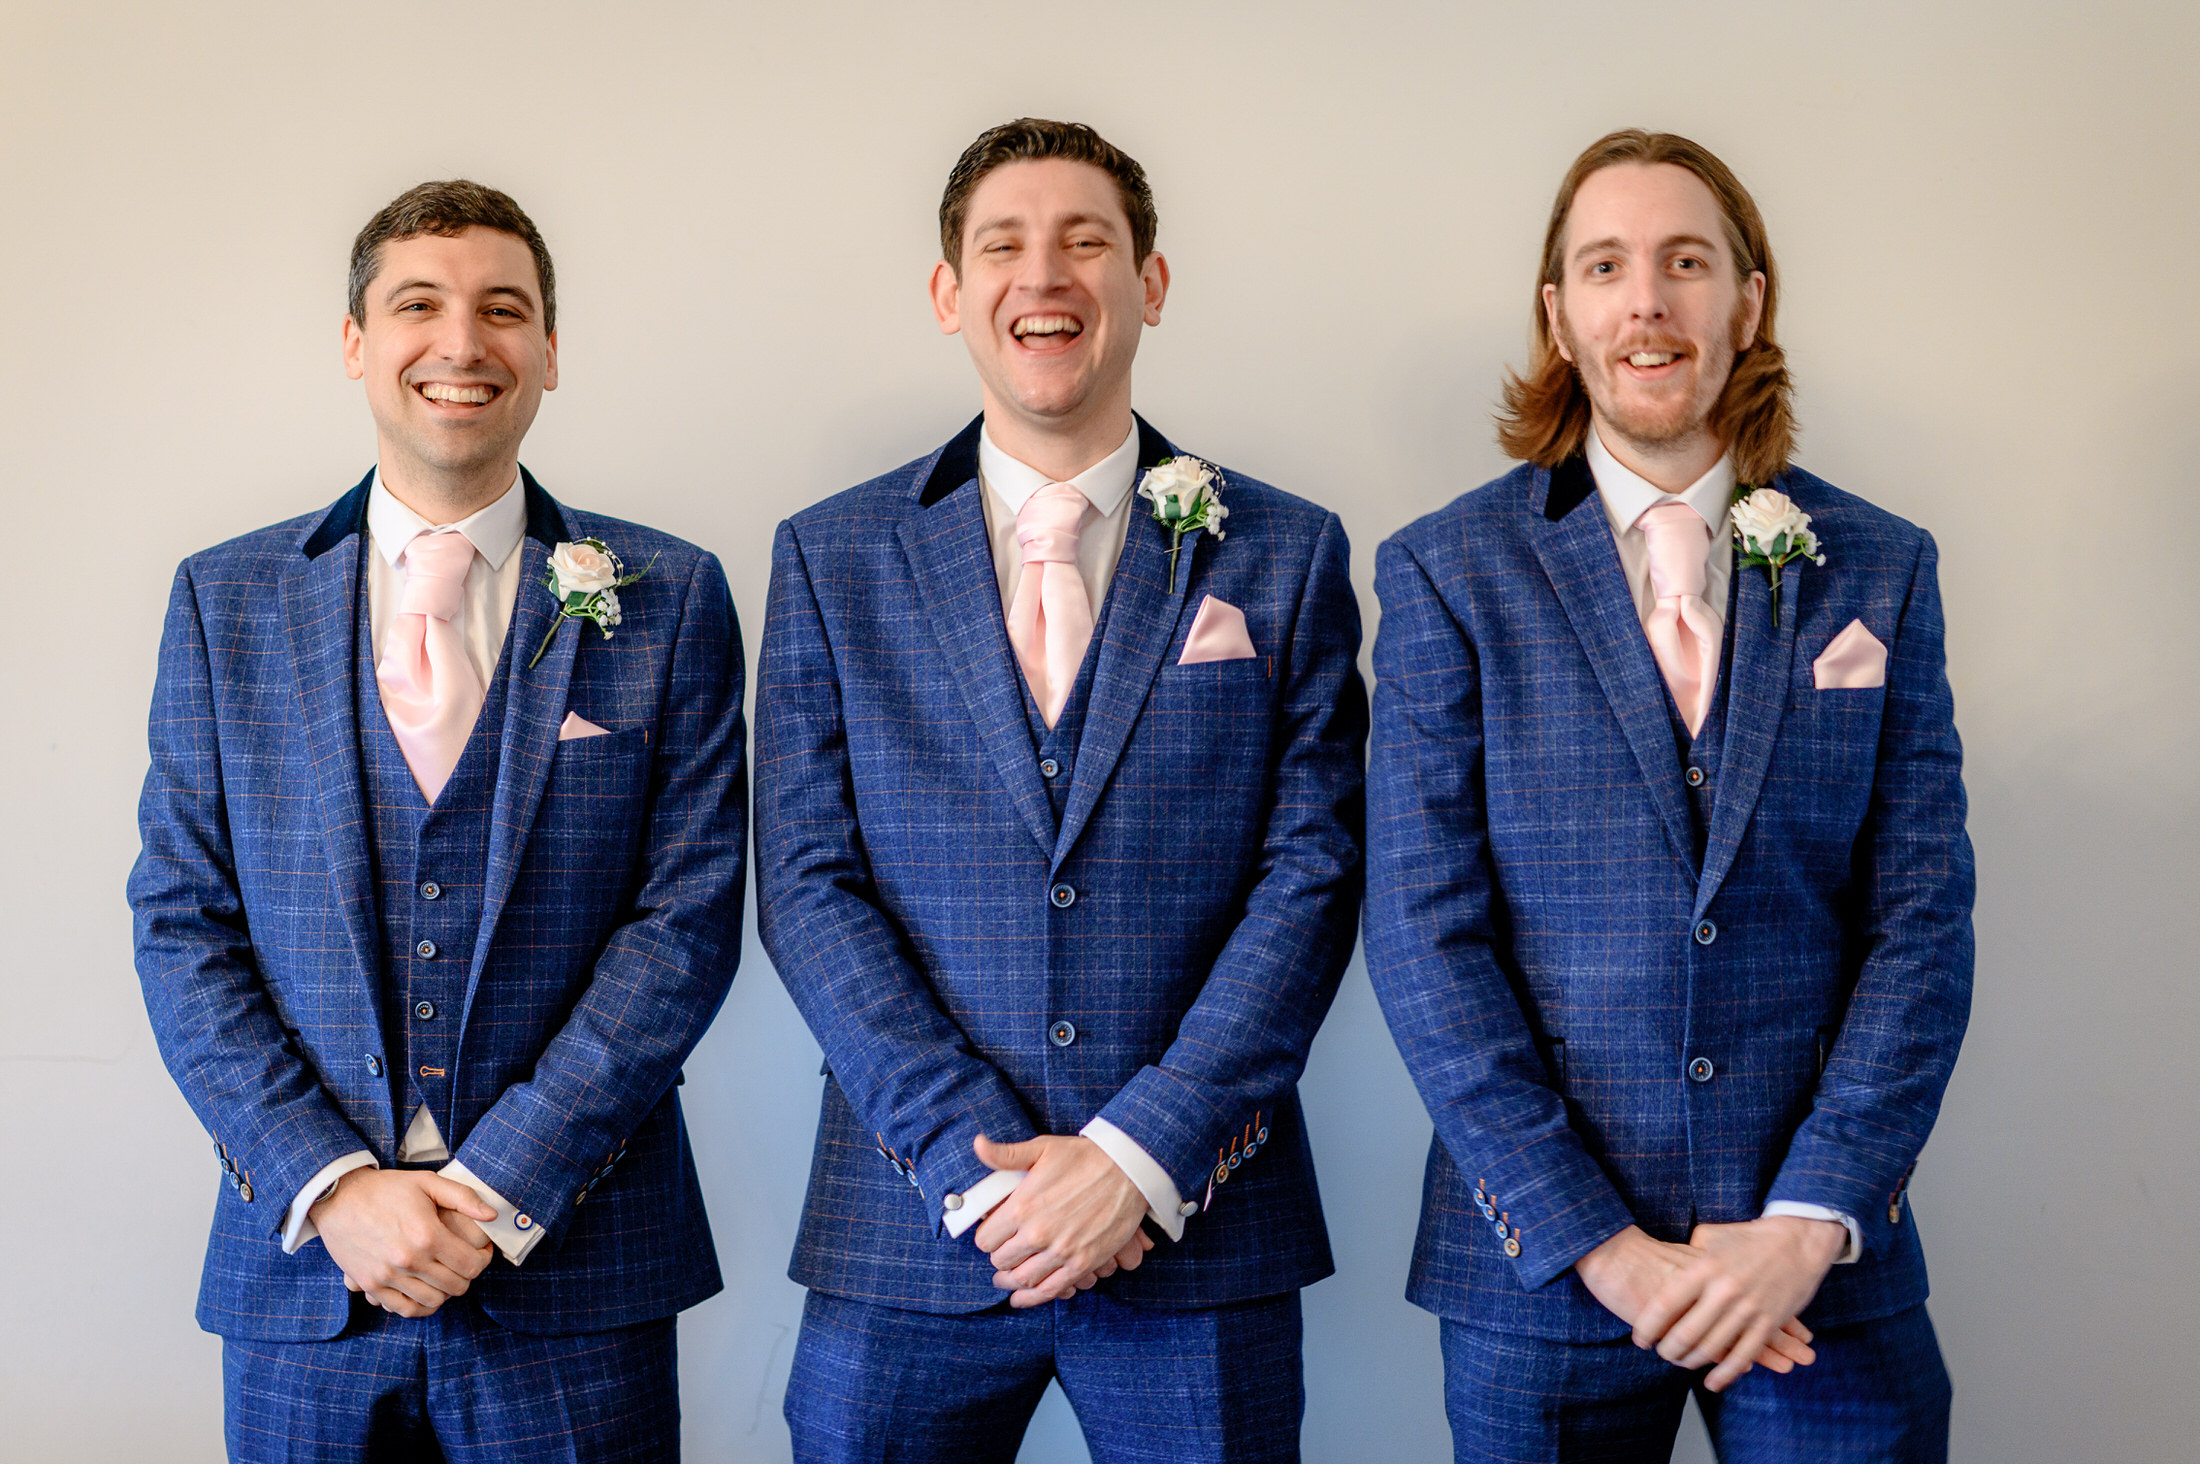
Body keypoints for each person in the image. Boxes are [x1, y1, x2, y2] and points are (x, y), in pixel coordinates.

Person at [753, 118, 1367, 1463]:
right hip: (908, 1225)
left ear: (1150, 283)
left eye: (1087, 241)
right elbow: (805, 886)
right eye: (1005, 246)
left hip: (1201, 1223)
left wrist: (1142, 1155)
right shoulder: (831, 557)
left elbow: (1312, 876)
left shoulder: (1287, 553)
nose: (1048, 276)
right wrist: (975, 1165)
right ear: (947, 293)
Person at [1365, 130, 1974, 1461]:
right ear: (1560, 313)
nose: (1646, 301)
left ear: (1747, 302)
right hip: (1543, 1272)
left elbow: (1919, 927)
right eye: (1606, 266)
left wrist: (1809, 1223)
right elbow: (1424, 938)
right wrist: (1600, 1245)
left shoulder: (1881, 567)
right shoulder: (1444, 575)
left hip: (1821, 1272)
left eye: (1685, 262)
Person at [129, 179, 747, 1461]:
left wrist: (499, 1182)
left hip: (577, 1267)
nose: (462, 344)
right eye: (419, 305)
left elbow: (683, 923)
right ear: (356, 341)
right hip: (309, 1276)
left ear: (550, 352)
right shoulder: (223, 600)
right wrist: (335, 1185)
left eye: (503, 310)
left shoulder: (672, 594)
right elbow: (184, 923)